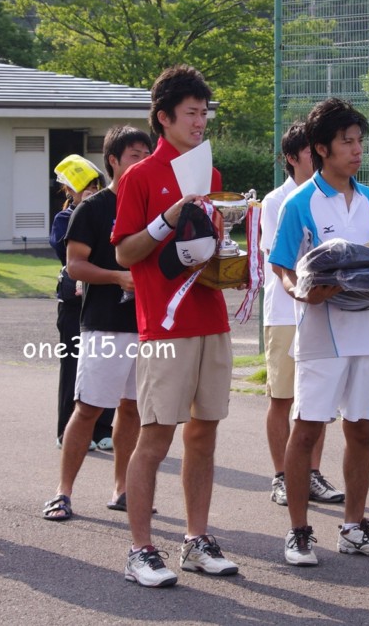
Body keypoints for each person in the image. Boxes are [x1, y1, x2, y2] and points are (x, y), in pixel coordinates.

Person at [112, 64, 238, 587]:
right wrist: (167, 220)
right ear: (163, 118)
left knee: (204, 434)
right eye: (191, 113)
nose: (200, 122)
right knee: (156, 436)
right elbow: (124, 252)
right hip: (164, 326)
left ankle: (195, 539)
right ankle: (140, 550)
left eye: (204, 113)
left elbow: (208, 250)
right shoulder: (139, 176)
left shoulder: (212, 176)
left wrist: (231, 253)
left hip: (211, 317)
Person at [269, 97, 369, 566]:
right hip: (321, 333)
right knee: (307, 430)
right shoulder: (299, 202)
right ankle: (299, 532)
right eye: (347, 142)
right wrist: (301, 292)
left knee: (362, 429)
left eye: (359, 141)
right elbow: (282, 265)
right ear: (321, 148)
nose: (357, 150)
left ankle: (353, 527)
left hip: (368, 328)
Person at [43, 128, 152, 522]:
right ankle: (63, 492)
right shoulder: (93, 208)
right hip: (104, 325)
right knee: (88, 408)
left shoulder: (155, 208)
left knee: (133, 409)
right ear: (113, 161)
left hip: (147, 327)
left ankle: (123, 490)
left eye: (147, 154)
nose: (142, 162)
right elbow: (75, 266)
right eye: (135, 155)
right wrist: (118, 278)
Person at [262, 122, 343, 508]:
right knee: (282, 398)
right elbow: (282, 260)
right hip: (284, 312)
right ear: (292, 158)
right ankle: (282, 476)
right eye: (311, 152)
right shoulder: (276, 201)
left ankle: (311, 473)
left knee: (317, 400)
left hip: (321, 311)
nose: (318, 157)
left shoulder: (332, 197)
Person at [48, 161, 111, 451]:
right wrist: (83, 212)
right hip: (74, 303)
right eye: (86, 187)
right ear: (69, 190)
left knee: (107, 366)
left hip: (103, 300)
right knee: (73, 366)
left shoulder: (108, 214)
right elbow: (65, 251)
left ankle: (103, 429)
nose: (92, 191)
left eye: (96, 187)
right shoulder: (65, 217)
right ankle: (67, 430)